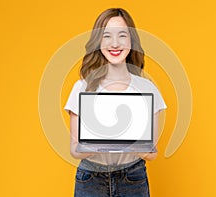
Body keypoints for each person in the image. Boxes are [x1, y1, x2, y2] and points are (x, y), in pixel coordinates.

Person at [64, 8, 166, 197]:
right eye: (107, 36)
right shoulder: (82, 88)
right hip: (91, 179)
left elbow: (152, 153)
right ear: (98, 42)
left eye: (122, 35)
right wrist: (104, 141)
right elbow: (75, 150)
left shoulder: (147, 89)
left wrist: (127, 141)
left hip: (133, 178)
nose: (115, 43)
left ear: (131, 41)